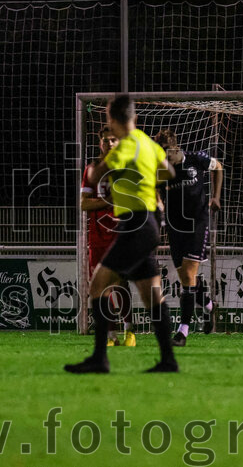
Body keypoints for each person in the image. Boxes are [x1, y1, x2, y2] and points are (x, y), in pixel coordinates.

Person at [65, 95, 178, 373]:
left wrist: (96, 167)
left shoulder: (125, 147)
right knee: (153, 295)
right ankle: (168, 361)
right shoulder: (147, 143)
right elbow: (169, 172)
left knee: (97, 286)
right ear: (134, 118)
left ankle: (100, 359)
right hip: (150, 223)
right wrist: (144, 180)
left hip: (135, 225)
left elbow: (95, 176)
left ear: (112, 121)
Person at [152, 129, 224, 346]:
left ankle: (182, 332)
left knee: (189, 275)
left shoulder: (196, 159)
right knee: (186, 278)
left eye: (166, 152)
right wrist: (158, 203)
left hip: (197, 224)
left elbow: (218, 167)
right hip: (175, 227)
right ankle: (210, 306)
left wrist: (216, 197)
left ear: (175, 147)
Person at [81, 126, 135, 347]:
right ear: (100, 143)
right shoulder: (92, 170)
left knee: (120, 283)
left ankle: (129, 330)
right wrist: (109, 201)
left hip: (120, 236)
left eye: (114, 140)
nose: (110, 144)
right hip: (97, 237)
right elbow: (84, 203)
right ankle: (110, 335)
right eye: (106, 140)